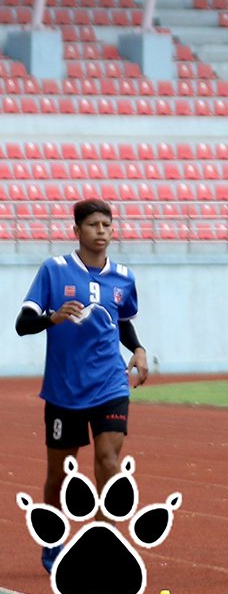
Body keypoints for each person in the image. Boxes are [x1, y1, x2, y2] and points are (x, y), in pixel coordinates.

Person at [15, 199, 148, 573]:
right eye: (92, 225)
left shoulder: (123, 277)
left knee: (108, 460)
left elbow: (121, 321)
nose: (101, 231)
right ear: (76, 230)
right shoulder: (54, 270)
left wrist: (138, 349)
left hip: (110, 384)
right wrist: (52, 317)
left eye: (106, 224)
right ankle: (53, 539)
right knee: (59, 474)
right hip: (65, 389)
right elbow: (22, 323)